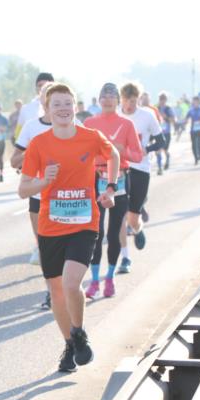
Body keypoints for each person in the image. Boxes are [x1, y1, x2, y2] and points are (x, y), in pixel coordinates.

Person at [19, 83, 120, 373]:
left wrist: (110, 188)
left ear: (75, 107)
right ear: (48, 112)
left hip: (84, 223)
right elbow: (23, 190)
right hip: (50, 227)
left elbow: (112, 155)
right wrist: (44, 181)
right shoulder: (39, 144)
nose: (63, 109)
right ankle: (69, 343)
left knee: (70, 283)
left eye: (67, 103)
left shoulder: (91, 137)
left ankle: (79, 332)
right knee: (56, 289)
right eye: (57, 105)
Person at [82, 83, 143, 298]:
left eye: (111, 96)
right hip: (95, 178)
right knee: (94, 233)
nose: (107, 99)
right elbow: (81, 152)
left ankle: (110, 278)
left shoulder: (126, 124)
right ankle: (95, 280)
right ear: (98, 100)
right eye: (103, 96)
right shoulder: (89, 123)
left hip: (119, 179)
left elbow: (138, 155)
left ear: (118, 100)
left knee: (114, 232)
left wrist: (121, 149)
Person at [11, 82, 54, 308]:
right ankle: (51, 291)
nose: (52, 104)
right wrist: (34, 152)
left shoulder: (75, 125)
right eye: (48, 99)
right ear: (42, 101)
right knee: (45, 247)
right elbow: (14, 160)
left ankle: (66, 287)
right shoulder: (31, 126)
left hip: (68, 197)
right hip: (38, 197)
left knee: (66, 247)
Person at [119, 82, 164, 269]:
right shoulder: (116, 115)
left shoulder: (147, 115)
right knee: (119, 214)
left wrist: (146, 149)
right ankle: (124, 257)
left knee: (132, 215)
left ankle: (138, 229)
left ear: (137, 99)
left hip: (141, 168)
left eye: (132, 100)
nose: (129, 105)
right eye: (125, 100)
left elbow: (161, 140)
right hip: (119, 168)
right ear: (121, 99)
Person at [15, 72, 55, 141]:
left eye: (46, 85)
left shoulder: (64, 107)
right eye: (39, 85)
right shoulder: (25, 109)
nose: (42, 88)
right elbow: (19, 134)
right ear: (36, 88)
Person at [155, 92, 177, 172]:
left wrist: (166, 117)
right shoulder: (156, 108)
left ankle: (167, 157)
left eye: (163, 99)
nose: (162, 101)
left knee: (165, 150)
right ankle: (160, 167)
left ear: (166, 100)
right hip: (157, 132)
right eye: (161, 99)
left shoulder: (168, 109)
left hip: (166, 132)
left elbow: (174, 119)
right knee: (158, 150)